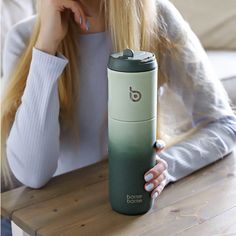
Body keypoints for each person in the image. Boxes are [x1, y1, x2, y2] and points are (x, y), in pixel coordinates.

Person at [1, 0, 236, 234]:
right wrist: (46, 47)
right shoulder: (26, 38)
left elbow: (224, 125)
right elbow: (32, 175)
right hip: (55, 219)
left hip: (134, 213)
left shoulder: (156, 16)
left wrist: (165, 167)